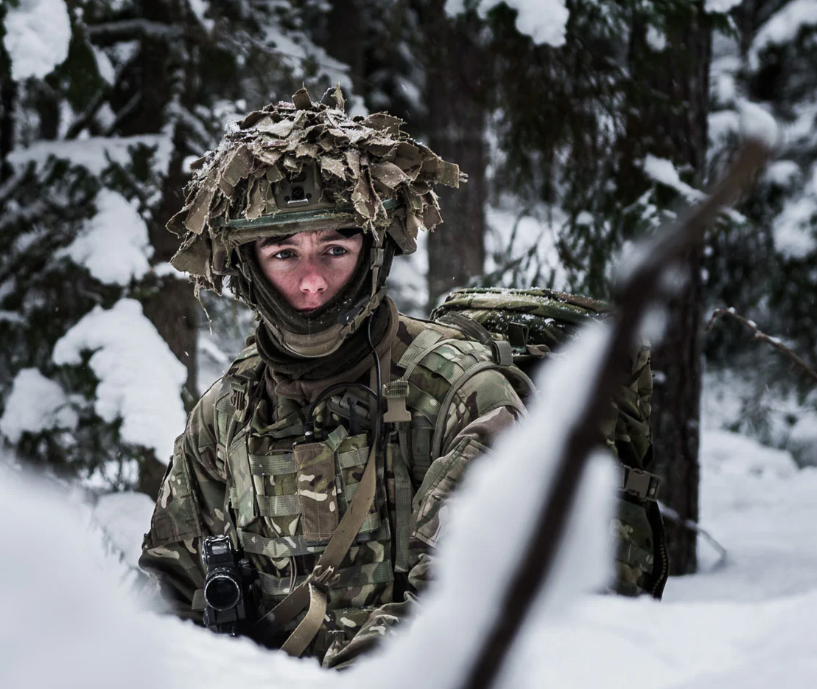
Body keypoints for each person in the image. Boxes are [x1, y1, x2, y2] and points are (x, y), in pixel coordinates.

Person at [139, 87, 528, 667]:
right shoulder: (226, 414)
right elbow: (165, 596)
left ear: (372, 252)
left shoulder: (460, 392)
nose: (312, 281)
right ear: (248, 265)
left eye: (335, 249)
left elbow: (465, 607)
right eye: (284, 254)